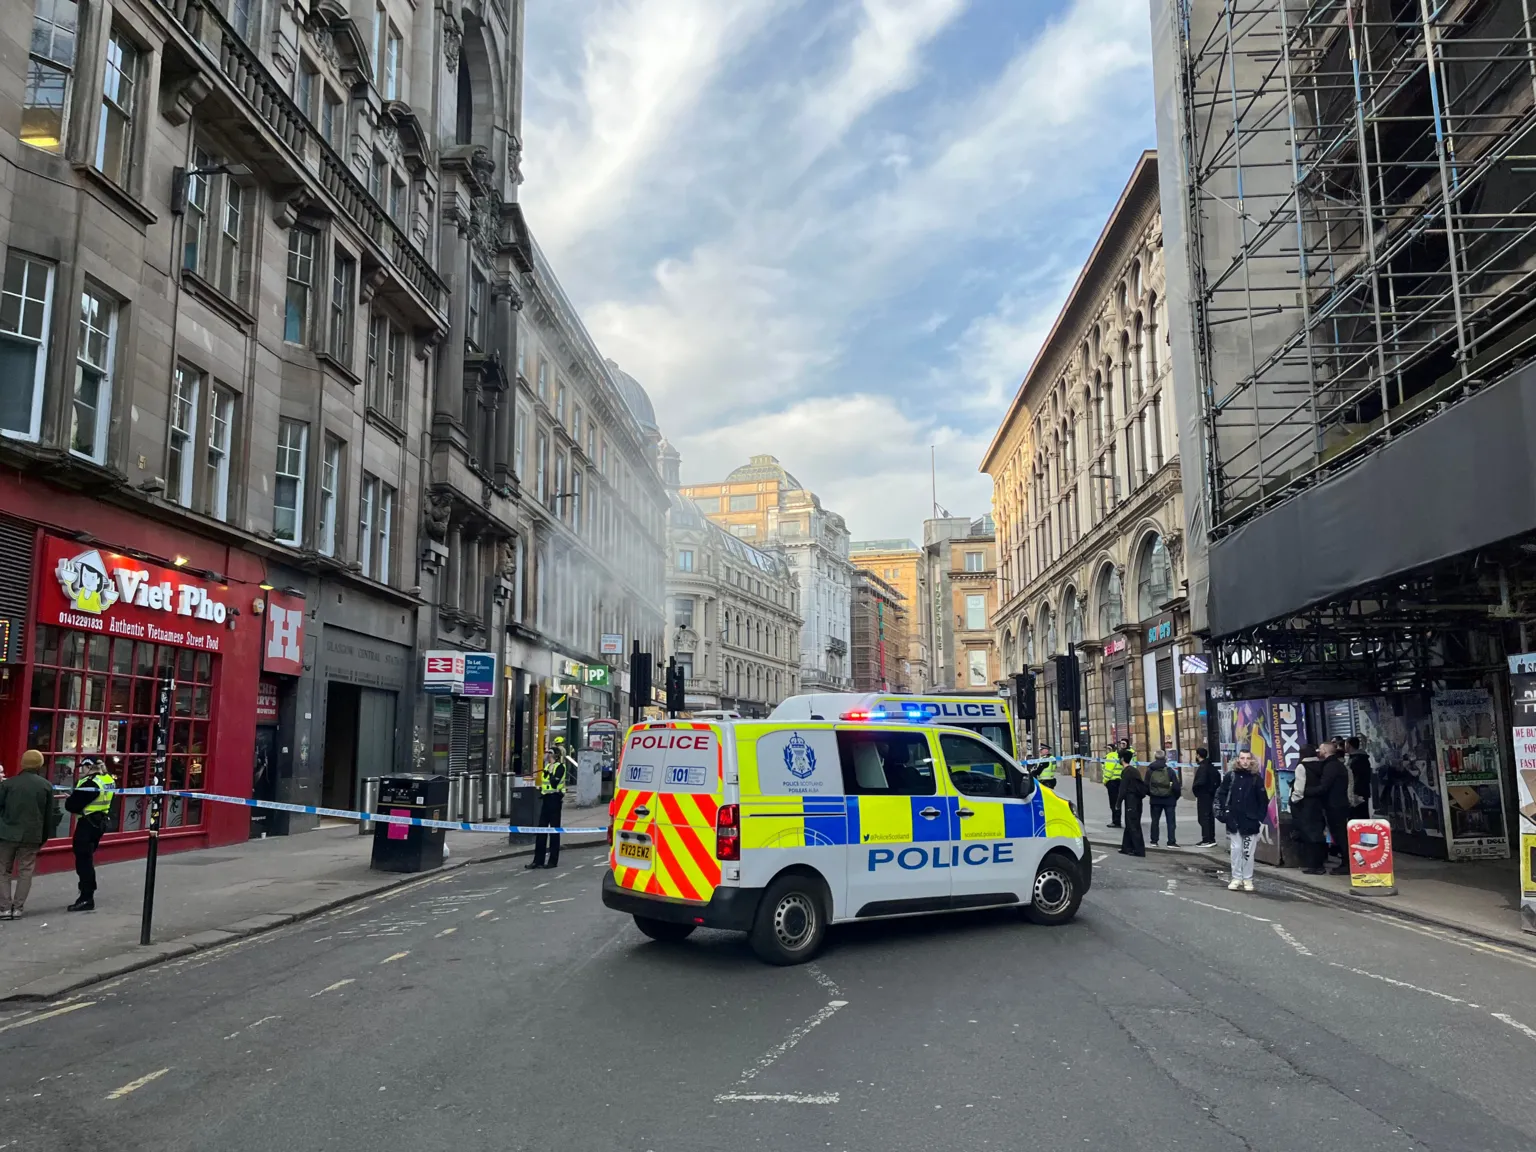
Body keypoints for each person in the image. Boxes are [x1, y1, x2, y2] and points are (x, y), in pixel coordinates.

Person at [0, 750, 56, 919]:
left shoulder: (8, 785)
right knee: (26, 871)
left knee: (3, 870)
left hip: (7, 833)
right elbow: (48, 816)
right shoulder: (45, 786)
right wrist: (44, 836)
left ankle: (4, 908)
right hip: (32, 835)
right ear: (39, 765)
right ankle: (18, 908)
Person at [64, 758, 116, 911]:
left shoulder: (90, 783)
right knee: (87, 858)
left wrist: (72, 798)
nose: (82, 771)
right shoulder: (108, 779)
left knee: (83, 861)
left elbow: (72, 805)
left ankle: (86, 897)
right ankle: (86, 893)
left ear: (89, 767)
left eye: (83, 767)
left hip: (87, 823)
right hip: (100, 823)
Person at [1215, 750, 1269, 891]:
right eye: (1242, 758)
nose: (1245, 761)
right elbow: (1222, 793)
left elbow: (1263, 800)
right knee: (1236, 849)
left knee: (1247, 852)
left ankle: (1247, 879)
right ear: (1238, 759)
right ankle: (1236, 877)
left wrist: (1259, 819)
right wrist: (1226, 812)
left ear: (1252, 760)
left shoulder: (1256, 778)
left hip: (1250, 820)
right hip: (1234, 819)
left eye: (1247, 758)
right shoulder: (1231, 776)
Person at [526, 735, 574, 870]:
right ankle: (538, 860)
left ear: (555, 756)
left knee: (554, 831)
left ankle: (553, 861)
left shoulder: (560, 767)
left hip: (555, 799)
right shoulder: (547, 767)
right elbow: (546, 783)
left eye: (549, 753)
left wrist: (551, 773)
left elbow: (554, 782)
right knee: (541, 830)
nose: (547, 755)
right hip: (546, 799)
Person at [1289, 744, 1328, 875]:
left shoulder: (1302, 767)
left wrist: (1294, 800)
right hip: (1319, 803)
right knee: (1318, 832)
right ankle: (1321, 862)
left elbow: (1299, 788)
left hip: (1306, 804)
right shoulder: (1321, 765)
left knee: (1308, 833)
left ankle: (1313, 865)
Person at [1316, 739, 1353, 875]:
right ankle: (1346, 862)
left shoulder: (1331, 766)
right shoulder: (1336, 765)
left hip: (1335, 805)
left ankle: (1347, 864)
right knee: (1340, 834)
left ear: (1325, 751)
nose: (1318, 752)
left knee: (1340, 835)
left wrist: (1309, 791)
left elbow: (1324, 786)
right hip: (1338, 804)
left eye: (1320, 749)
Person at [1146, 749, 1182, 847]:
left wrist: (1152, 794)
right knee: (1170, 822)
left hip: (1155, 800)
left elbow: (1146, 786)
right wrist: (1175, 797)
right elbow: (1176, 787)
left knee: (1155, 821)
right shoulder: (1170, 771)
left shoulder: (1150, 770)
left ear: (1155, 758)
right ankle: (1171, 842)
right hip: (1169, 799)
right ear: (1165, 758)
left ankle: (1154, 841)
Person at [1118, 757, 1148, 857]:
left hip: (1131, 801)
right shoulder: (1134, 770)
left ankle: (1139, 850)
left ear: (1122, 759)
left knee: (1133, 825)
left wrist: (1118, 803)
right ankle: (1126, 847)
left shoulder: (1126, 772)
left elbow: (1123, 789)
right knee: (1130, 823)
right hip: (1137, 800)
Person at [1192, 747, 1221, 848]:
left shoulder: (1203, 767)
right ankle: (1210, 838)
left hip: (1204, 796)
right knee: (1209, 817)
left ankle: (1207, 839)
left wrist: (1196, 790)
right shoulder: (1210, 766)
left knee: (1204, 818)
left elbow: (1200, 782)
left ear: (1198, 755)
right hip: (1210, 795)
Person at [1345, 737, 1371, 822]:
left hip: (1357, 793)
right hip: (1362, 791)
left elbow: (1356, 778)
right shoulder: (1361, 758)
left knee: (1358, 818)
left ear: (1348, 745)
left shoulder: (1356, 760)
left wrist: (1354, 792)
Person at [1101, 744, 1123, 829]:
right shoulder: (1118, 756)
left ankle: (1116, 821)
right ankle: (1117, 820)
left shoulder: (1110, 757)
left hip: (1112, 782)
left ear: (1109, 750)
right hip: (1119, 781)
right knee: (1118, 802)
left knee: (1113, 803)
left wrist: (1105, 781)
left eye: (1106, 749)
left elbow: (1108, 771)